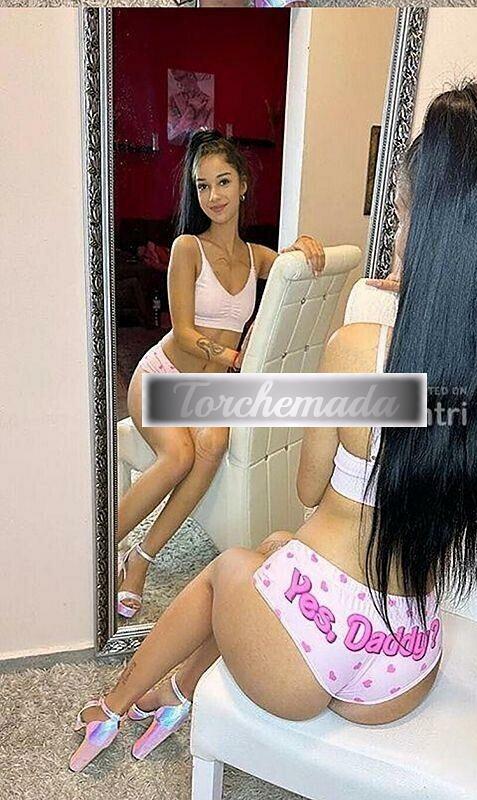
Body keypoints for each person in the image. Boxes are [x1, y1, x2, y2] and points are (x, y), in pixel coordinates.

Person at [70, 81, 477, 772]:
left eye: (402, 217)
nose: (397, 235)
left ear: (431, 232)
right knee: (276, 550)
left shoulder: (360, 352)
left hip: (312, 654)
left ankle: (116, 702)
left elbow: (310, 490)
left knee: (228, 571)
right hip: (405, 660)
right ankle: (176, 694)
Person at [116, 129, 325, 619]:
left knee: (212, 443)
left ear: (243, 185)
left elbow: (293, 267)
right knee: (178, 456)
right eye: (203, 185)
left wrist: (304, 244)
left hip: (208, 389)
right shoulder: (188, 247)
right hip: (162, 376)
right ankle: (98, 549)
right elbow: (185, 334)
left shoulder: (256, 257)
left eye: (223, 182)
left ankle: (140, 559)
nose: (213, 195)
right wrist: (236, 359)